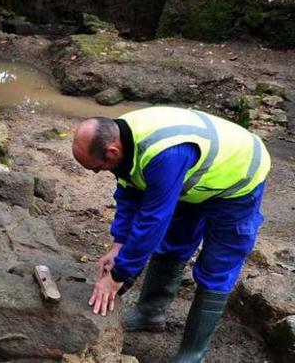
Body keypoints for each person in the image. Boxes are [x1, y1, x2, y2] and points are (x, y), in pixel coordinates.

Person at [72, 106, 270, 363]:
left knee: (217, 265)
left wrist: (119, 274)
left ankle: (191, 354)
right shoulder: (121, 136)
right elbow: (129, 193)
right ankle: (150, 312)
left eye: (99, 168)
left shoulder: (164, 154)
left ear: (112, 151)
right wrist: (118, 244)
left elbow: (153, 219)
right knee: (174, 242)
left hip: (237, 178)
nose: (101, 172)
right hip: (192, 177)